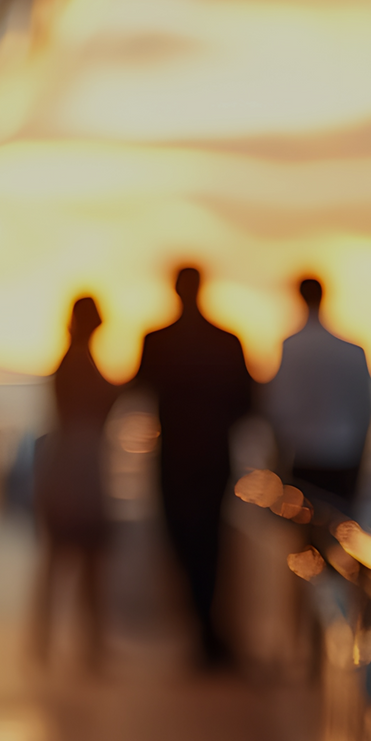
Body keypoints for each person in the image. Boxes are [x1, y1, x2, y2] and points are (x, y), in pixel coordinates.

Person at [134, 267, 254, 668]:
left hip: (174, 458)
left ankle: (206, 633)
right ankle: (209, 634)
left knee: (183, 540)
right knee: (209, 542)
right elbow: (248, 403)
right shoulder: (227, 340)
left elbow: (138, 390)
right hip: (214, 455)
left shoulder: (156, 340)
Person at [31, 296, 119, 671]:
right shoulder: (78, 360)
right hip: (78, 467)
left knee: (65, 558)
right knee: (83, 558)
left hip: (70, 462)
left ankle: (54, 642)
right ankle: (84, 644)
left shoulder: (71, 358)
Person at [264, 277, 371, 515]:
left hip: (303, 454)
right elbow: (364, 411)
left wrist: (277, 460)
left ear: (299, 296)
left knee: (305, 532)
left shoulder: (291, 347)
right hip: (343, 454)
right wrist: (362, 463)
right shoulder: (352, 351)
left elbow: (279, 408)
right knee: (340, 529)